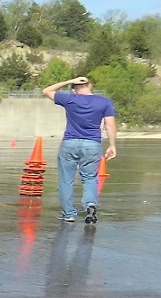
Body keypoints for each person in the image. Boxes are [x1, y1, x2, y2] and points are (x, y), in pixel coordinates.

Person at [42, 74, 117, 224]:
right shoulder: (104, 102)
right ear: (90, 86)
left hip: (70, 143)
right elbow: (110, 124)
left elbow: (47, 90)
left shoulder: (70, 99)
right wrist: (112, 145)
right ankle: (90, 205)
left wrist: (70, 81)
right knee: (90, 178)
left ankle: (68, 213)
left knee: (66, 180)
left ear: (74, 90)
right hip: (92, 144)